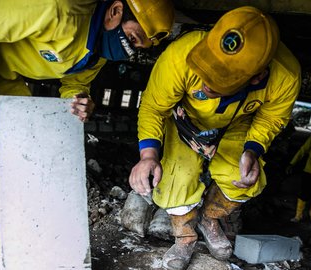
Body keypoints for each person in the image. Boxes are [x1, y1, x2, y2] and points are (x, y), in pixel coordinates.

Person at [0, 0, 174, 268]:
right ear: (115, 12)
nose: (130, 51)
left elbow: (74, 84)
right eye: (133, 38)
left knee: (27, 134)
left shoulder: (98, 52)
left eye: (139, 46)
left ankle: (29, 240)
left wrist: (78, 99)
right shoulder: (58, 10)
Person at [129, 6, 301, 270]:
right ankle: (184, 236)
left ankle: (210, 219)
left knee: (243, 178)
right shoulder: (181, 53)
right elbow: (154, 106)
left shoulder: (285, 77)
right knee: (174, 179)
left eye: (218, 78)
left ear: (257, 77)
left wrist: (253, 150)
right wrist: (148, 155)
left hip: (238, 124)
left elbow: (271, 119)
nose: (204, 81)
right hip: (187, 120)